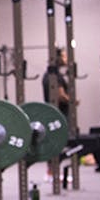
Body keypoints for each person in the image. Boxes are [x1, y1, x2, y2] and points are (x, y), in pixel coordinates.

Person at [42, 47, 71, 183]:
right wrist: (72, 100)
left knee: (55, 143)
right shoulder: (55, 77)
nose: (66, 59)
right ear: (57, 58)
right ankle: (52, 173)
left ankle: (52, 172)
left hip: (54, 114)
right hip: (58, 114)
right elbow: (60, 96)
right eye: (64, 57)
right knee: (56, 143)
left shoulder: (49, 75)